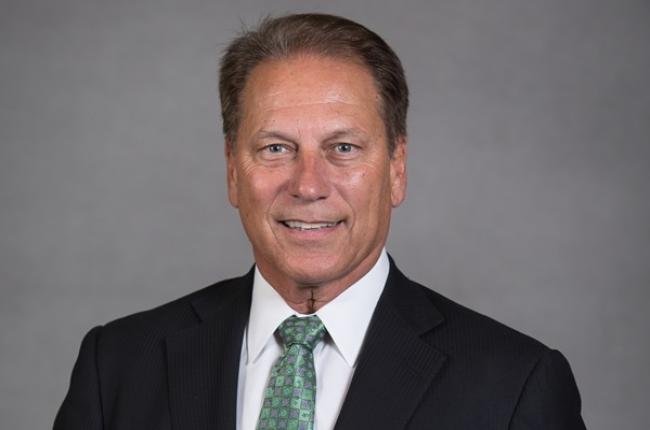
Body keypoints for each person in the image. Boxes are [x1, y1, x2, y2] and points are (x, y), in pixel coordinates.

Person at [54, 13, 586, 430]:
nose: (308, 185)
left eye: (344, 147)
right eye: (276, 148)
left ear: (396, 168)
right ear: (233, 170)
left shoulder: (515, 386)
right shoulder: (118, 365)